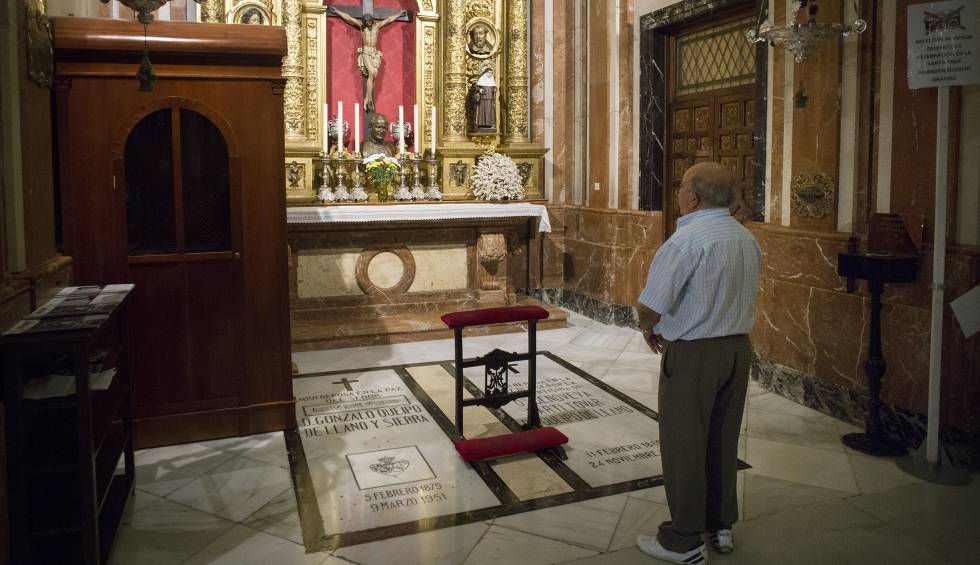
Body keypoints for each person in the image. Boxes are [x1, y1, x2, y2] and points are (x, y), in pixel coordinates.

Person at [635, 162, 761, 565]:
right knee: (722, 438)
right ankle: (720, 524)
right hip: (737, 351)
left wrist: (647, 328)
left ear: (692, 197)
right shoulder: (745, 238)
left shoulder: (686, 242)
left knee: (685, 444)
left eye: (681, 189)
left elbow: (651, 304)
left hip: (693, 354)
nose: (677, 197)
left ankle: (684, 539)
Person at [329, 7, 409, 113]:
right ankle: (369, 99)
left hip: (374, 54)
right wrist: (337, 11)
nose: (368, 23)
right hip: (366, 52)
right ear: (364, 22)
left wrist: (399, 14)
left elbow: (389, 19)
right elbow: (349, 18)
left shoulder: (377, 26)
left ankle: (367, 98)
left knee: (374, 75)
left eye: (369, 21)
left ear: (372, 20)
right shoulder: (362, 27)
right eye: (366, 22)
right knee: (372, 72)